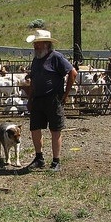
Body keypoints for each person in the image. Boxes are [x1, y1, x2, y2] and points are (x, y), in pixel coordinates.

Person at [24, 29, 78, 172]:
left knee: (55, 130)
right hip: (38, 98)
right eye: (35, 44)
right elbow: (34, 80)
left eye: (38, 44)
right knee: (35, 128)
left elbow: (73, 73)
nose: (36, 47)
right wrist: (30, 99)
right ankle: (39, 158)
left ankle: (56, 161)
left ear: (47, 44)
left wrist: (65, 95)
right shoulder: (36, 60)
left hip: (53, 99)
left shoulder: (56, 57)